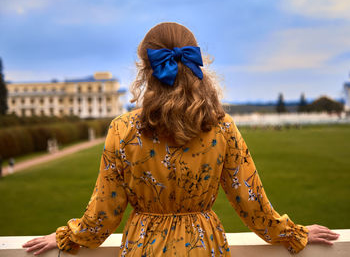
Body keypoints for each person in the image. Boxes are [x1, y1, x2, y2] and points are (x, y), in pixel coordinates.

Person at [23, 22, 339, 256]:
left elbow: (105, 213)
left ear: (146, 69)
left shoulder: (123, 129)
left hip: (144, 246)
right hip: (205, 245)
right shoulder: (222, 127)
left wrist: (68, 237)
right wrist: (293, 233)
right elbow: (250, 200)